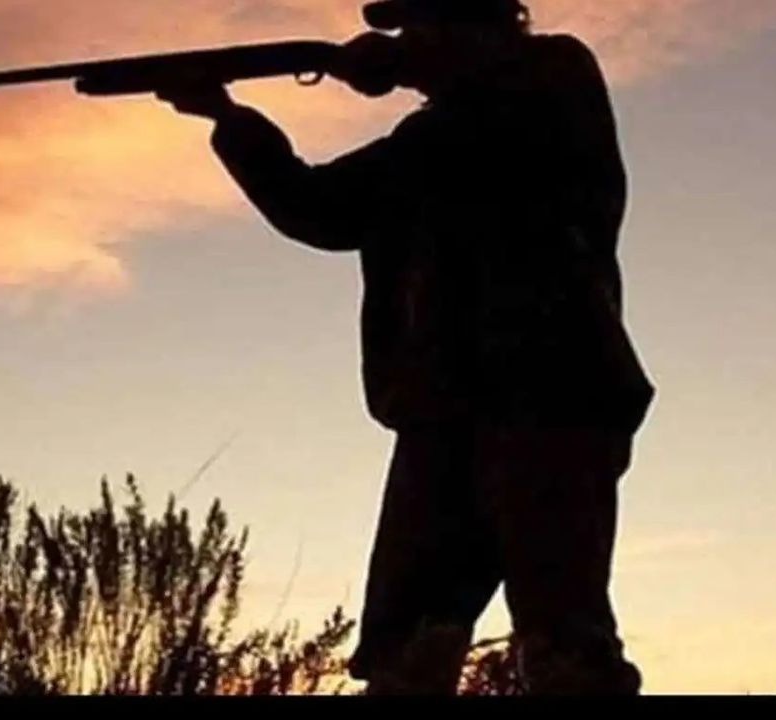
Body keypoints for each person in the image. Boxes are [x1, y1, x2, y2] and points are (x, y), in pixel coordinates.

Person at [156, 0, 656, 695]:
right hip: (443, 413)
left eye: (422, 26)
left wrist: (391, 68)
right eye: (405, 31)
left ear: (482, 24)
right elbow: (318, 209)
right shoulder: (425, 143)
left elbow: (476, 125)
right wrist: (225, 115)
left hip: (551, 399)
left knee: (566, 646)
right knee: (403, 652)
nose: (406, 40)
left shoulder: (552, 78)